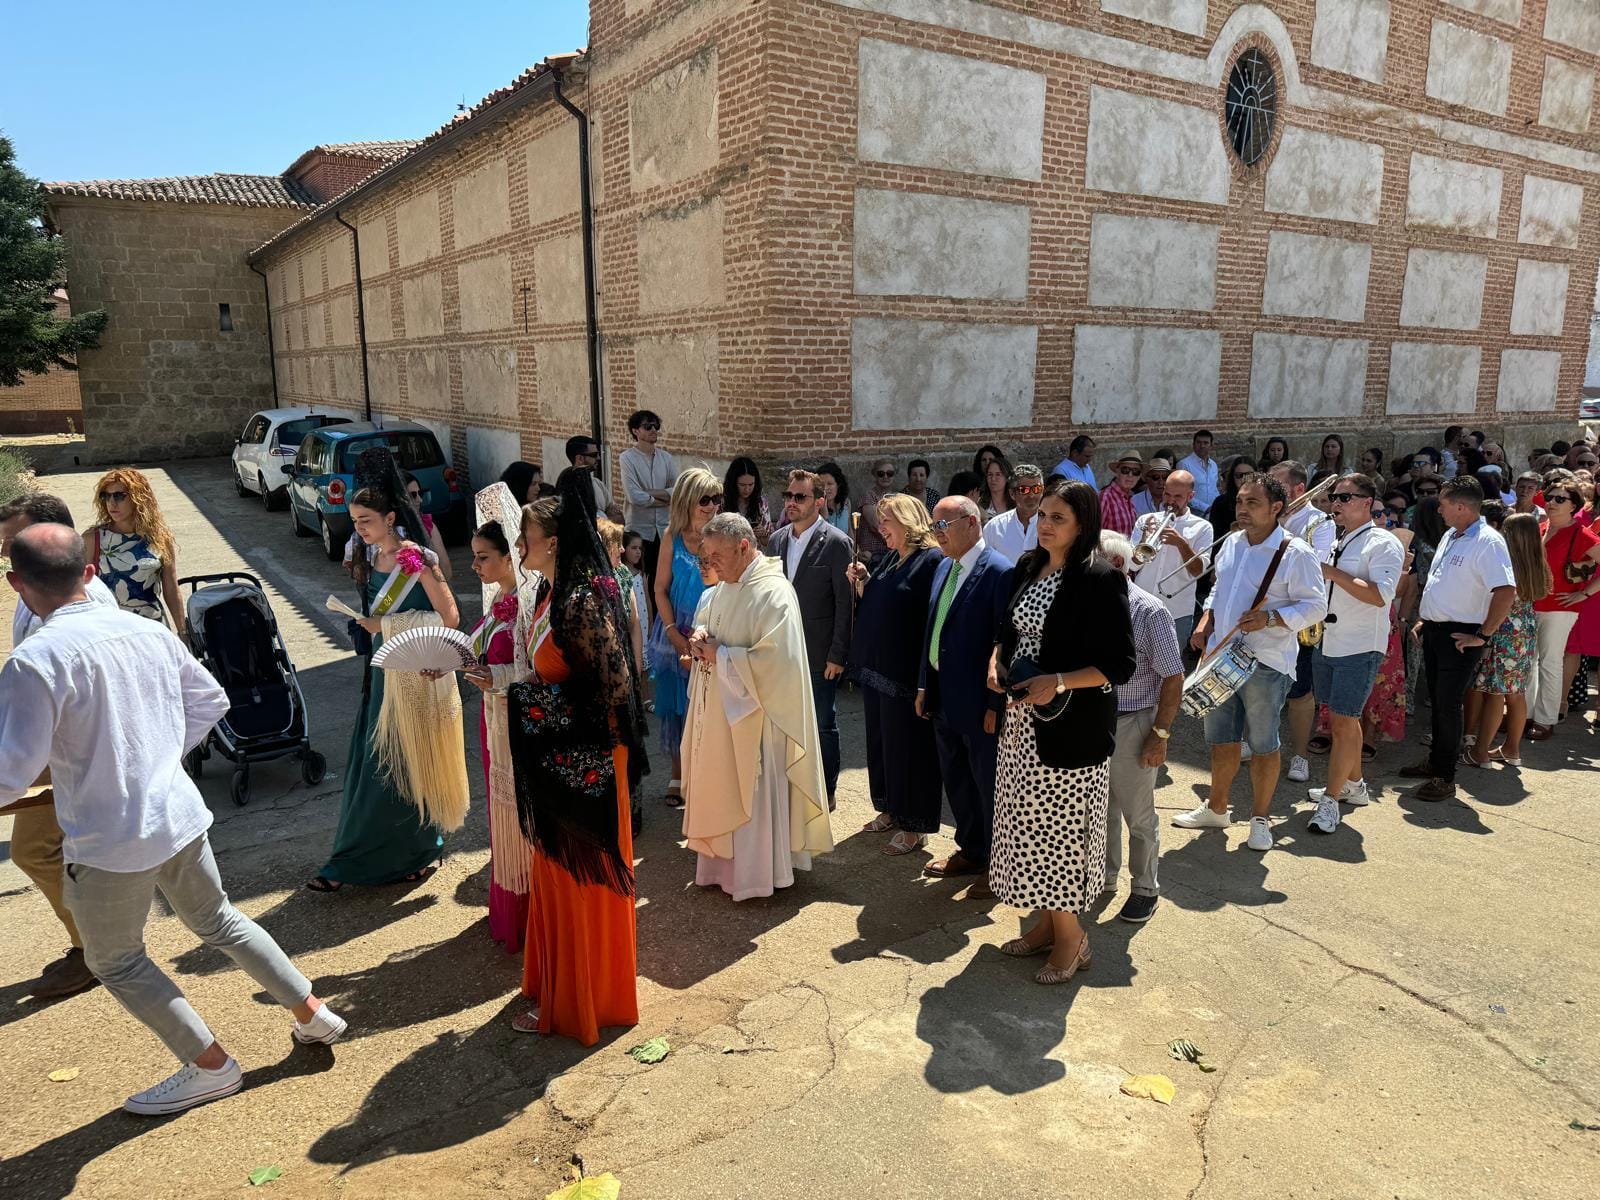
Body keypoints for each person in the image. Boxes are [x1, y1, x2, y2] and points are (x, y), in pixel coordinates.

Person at [0, 524, 346, 1114]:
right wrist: (156, 755)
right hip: (180, 816)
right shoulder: (145, 631)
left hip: (111, 839)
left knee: (115, 959)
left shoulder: (34, 661)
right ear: (89, 573)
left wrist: (119, 765)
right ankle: (312, 1012)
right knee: (220, 921)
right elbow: (211, 701)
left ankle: (209, 1064)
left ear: (15, 584)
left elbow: (10, 772)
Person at [509, 472, 646, 1043]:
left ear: (555, 543)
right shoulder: (549, 593)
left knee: (577, 880)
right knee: (556, 877)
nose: (520, 547)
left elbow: (613, 689)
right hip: (563, 761)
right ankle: (559, 985)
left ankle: (583, 1002)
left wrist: (529, 700)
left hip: (586, 764)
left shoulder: (581, 599)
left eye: (527, 537)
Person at [990, 480, 1134, 983]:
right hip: (1023, 724)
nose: (1046, 525)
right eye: (1044, 515)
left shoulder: (1100, 578)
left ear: (1083, 525)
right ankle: (1047, 926)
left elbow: (1120, 664)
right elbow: (1006, 631)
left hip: (1072, 728)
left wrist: (1059, 681)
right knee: (1027, 827)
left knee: (1061, 835)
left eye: (1059, 519)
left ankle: (1074, 939)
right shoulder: (1029, 568)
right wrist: (996, 662)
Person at [309, 450, 465, 891]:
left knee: (410, 763)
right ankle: (350, 860)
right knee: (374, 764)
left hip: (416, 676)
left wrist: (386, 624)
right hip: (380, 675)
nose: (358, 528)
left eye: (366, 521)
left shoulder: (415, 560)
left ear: (390, 516)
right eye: (354, 521)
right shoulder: (369, 557)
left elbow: (451, 617)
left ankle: (419, 849)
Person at [681, 513, 835, 900]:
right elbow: (713, 622)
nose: (710, 564)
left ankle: (756, 874)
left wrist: (722, 656)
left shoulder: (773, 592)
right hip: (720, 712)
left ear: (744, 547)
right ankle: (720, 867)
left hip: (758, 720)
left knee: (752, 791)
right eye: (707, 555)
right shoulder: (725, 585)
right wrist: (703, 637)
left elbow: (777, 663)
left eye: (717, 555)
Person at [0, 494, 118, 999]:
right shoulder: (38, 596)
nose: (9, 554)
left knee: (34, 850)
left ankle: (97, 951)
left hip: (67, 749)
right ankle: (95, 946)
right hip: (55, 745)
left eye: (13, 542)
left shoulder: (89, 602)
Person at [1172, 473, 1326, 852]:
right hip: (1222, 658)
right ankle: (1217, 807)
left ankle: (1260, 819)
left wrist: (1271, 619)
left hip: (1267, 661)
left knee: (1263, 744)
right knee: (1222, 740)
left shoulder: (1296, 552)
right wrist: (1207, 621)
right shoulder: (1233, 544)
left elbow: (1317, 605)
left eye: (1252, 503)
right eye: (1240, 501)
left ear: (1277, 508)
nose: (1243, 509)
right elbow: (1219, 590)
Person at [1398, 477, 1518, 802]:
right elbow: (1443, 582)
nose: (1439, 509)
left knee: (1448, 706)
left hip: (1462, 634)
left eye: (1444, 503)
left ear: (1461, 506)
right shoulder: (1452, 534)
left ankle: (1444, 776)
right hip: (1438, 630)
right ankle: (1436, 761)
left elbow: (1506, 591)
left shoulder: (1488, 542)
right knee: (1438, 703)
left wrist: (1483, 635)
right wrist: (1426, 619)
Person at [917, 497, 1013, 886]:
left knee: (986, 783)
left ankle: (997, 864)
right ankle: (971, 849)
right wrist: (925, 683)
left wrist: (995, 703)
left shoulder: (999, 572)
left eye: (943, 524)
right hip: (943, 695)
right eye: (934, 525)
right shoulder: (944, 567)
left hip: (978, 702)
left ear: (971, 523)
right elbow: (932, 630)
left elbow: (1005, 640)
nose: (937, 533)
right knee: (956, 778)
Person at [459, 485, 537, 952]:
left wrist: (497, 676)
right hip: (494, 721)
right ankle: (511, 895)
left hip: (520, 724)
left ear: (509, 558)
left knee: (521, 814)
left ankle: (532, 908)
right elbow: (473, 645)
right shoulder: (496, 606)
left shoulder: (528, 608)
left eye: (483, 557)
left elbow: (536, 669)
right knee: (500, 814)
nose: (475, 566)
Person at [1304, 474, 1404, 833]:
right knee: (1345, 719)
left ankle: (1331, 802)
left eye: (1345, 497)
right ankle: (1355, 786)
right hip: (1329, 640)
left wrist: (1332, 572)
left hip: (1359, 646)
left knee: (1343, 722)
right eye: (1335, 497)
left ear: (1367, 502)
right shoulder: (1337, 539)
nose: (1337, 503)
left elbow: (1380, 595)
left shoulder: (1383, 543)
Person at [848, 494, 945, 853]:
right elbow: (883, 599)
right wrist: (863, 582)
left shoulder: (931, 560)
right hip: (877, 668)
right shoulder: (891, 556)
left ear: (907, 521)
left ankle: (913, 824)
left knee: (909, 749)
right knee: (881, 744)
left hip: (905, 674)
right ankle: (889, 807)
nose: (880, 527)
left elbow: (927, 616)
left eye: (886, 521)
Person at [1097, 531, 1182, 924]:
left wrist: (1159, 734)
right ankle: (1104, 877)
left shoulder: (1149, 611)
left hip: (1133, 721)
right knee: (1100, 811)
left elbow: (1172, 677)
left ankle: (1145, 888)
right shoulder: (1089, 604)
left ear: (1115, 564)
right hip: (1095, 722)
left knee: (1138, 814)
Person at [766, 469, 854, 809]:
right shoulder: (776, 540)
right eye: (788, 496)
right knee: (784, 723)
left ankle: (825, 790)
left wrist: (838, 654)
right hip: (779, 651)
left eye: (799, 497)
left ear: (820, 501)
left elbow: (845, 603)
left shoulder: (836, 543)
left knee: (822, 724)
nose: (790, 502)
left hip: (819, 652)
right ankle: (790, 788)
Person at [648, 468, 722, 806]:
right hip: (674, 632)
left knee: (707, 707)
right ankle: (678, 775)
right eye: (704, 499)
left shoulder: (723, 535)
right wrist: (673, 632)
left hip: (712, 632)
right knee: (677, 709)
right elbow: (659, 589)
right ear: (687, 502)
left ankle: (705, 776)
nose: (711, 506)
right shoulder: (672, 537)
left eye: (716, 499)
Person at [1268, 460, 1339, 785]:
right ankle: (1255, 745)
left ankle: (1300, 755)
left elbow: (1316, 567)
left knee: (1299, 692)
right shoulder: (1263, 516)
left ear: (1299, 489)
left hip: (1298, 619)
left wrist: (1278, 529)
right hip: (1261, 614)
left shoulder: (1320, 523)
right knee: (1256, 687)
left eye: (1277, 485)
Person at [1462, 514, 1547, 768]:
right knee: (1516, 692)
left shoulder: (1508, 563)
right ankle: (1511, 749)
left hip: (1503, 631)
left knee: (1494, 693)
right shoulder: (1536, 562)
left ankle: (1480, 752)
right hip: (1525, 632)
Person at [1526, 472, 1600, 739]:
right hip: (1532, 602)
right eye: (1549, 497)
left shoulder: (1581, 534)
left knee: (1550, 661)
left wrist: (1585, 594)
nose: (1552, 502)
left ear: (1574, 505)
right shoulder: (1540, 528)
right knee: (1529, 661)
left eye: (1560, 498)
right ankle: (1526, 715)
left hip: (1561, 606)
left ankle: (1545, 719)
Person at [84, 467, 185, 633]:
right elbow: (82, 589)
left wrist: (183, 632)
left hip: (152, 626)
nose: (111, 503)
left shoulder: (159, 538)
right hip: (111, 629)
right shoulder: (93, 539)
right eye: (106, 496)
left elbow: (171, 588)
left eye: (119, 496)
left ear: (139, 498)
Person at [1130, 469, 1213, 649]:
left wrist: (1181, 543)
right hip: (1141, 606)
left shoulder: (1203, 527)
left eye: (1178, 496)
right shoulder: (1146, 520)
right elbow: (1133, 566)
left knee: (1171, 671)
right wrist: (1144, 540)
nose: (1170, 501)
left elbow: (1198, 571)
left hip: (1176, 611)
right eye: (1167, 494)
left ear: (1191, 496)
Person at [619, 410, 678, 598]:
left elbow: (677, 492)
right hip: (639, 532)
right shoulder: (627, 458)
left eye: (656, 426)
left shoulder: (667, 458)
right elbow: (634, 496)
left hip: (664, 530)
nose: (653, 430)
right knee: (641, 581)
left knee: (664, 581)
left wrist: (650, 494)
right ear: (636, 431)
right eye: (648, 426)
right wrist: (663, 498)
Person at [982, 462, 1045, 560]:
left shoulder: (1051, 525)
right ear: (1012, 494)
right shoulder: (994, 528)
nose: (1031, 495)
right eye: (1024, 490)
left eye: (1037, 489)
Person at [725, 455, 775, 549]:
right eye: (742, 485)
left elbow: (770, 542)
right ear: (733, 483)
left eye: (751, 484)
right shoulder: (722, 502)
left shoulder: (761, 503)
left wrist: (763, 534)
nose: (747, 489)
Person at [565, 435, 620, 520]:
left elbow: (619, 519)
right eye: (594, 455)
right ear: (579, 458)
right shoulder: (568, 487)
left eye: (598, 454)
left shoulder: (598, 483)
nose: (598, 458)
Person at [856, 459, 898, 564]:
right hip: (873, 554)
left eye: (889, 474)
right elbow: (876, 526)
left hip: (891, 552)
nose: (885, 477)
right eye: (881, 474)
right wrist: (897, 544)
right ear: (874, 475)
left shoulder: (897, 498)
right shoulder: (868, 497)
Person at [1208, 455, 1254, 538]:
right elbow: (1216, 536)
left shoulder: (1265, 500)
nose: (1243, 479)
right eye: (1238, 475)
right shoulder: (1220, 502)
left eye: (1248, 475)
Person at [1178, 429, 1220, 516]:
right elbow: (1183, 493)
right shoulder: (1184, 464)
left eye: (1206, 443)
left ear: (1211, 446)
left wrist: (1218, 505)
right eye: (1198, 442)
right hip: (1193, 515)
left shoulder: (1213, 465)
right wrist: (1206, 508)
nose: (1202, 446)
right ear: (1193, 445)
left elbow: (1214, 489)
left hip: (1213, 513)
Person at [817, 461, 852, 534]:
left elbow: (849, 530)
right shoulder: (815, 507)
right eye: (822, 484)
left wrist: (853, 545)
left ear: (838, 484)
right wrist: (824, 515)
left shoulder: (846, 503)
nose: (826, 488)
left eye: (830, 484)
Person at [981, 452, 1014, 522]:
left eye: (998, 474)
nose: (993, 479)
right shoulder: (981, 505)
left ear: (1007, 477)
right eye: (990, 474)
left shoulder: (1016, 503)